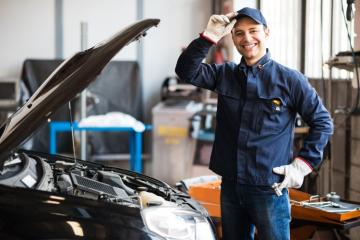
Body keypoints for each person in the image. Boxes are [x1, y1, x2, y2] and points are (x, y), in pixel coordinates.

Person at [175, 7, 333, 240]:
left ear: (266, 33)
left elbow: (322, 121)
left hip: (269, 188)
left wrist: (303, 164)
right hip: (230, 185)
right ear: (232, 38)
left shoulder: (290, 80)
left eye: (253, 30)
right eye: (239, 33)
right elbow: (186, 71)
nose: (247, 38)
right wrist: (208, 37)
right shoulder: (225, 74)